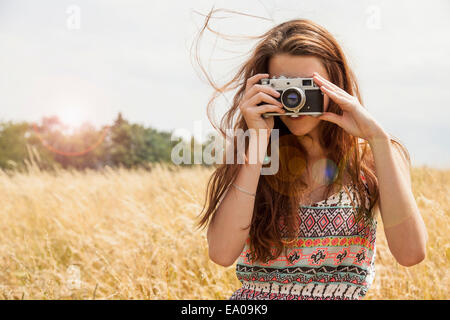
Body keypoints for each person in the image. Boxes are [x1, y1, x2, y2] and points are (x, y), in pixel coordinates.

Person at [195, 15, 428, 300]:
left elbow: (411, 253)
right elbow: (220, 253)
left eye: (307, 86)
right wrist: (257, 143)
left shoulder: (374, 156)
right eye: (283, 87)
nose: (294, 99)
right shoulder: (254, 154)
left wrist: (377, 138)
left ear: (336, 84)